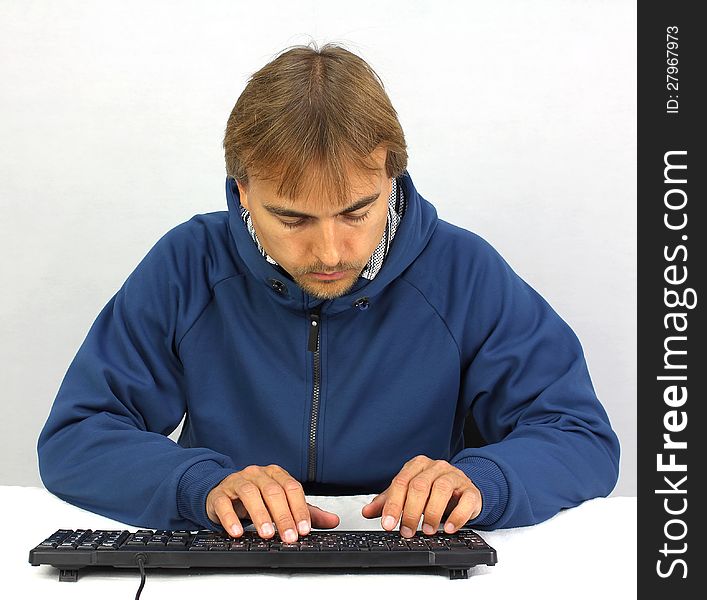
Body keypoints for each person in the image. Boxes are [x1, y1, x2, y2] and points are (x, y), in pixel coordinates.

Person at [37, 42, 620, 545]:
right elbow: (77, 436)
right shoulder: (188, 264)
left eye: (357, 212)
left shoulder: (463, 271)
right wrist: (200, 484)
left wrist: (484, 479)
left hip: (417, 559)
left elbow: (580, 436)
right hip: (232, 561)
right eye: (293, 219)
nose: (330, 253)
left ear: (390, 176)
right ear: (242, 192)